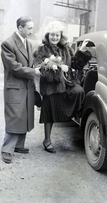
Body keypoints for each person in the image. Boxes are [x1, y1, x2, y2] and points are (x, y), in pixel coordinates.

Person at [33, 21, 91, 153]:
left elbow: (75, 65)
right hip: (50, 86)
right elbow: (40, 70)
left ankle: (73, 115)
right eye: (52, 35)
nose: (55, 38)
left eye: (57, 35)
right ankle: (47, 140)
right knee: (49, 114)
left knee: (79, 91)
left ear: (60, 36)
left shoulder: (66, 48)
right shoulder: (41, 50)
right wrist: (58, 68)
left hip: (66, 83)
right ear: (48, 36)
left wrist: (81, 52)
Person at [1, 16, 40, 163]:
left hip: (26, 86)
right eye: (29, 28)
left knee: (24, 114)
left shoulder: (28, 43)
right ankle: (7, 149)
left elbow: (29, 63)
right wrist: (33, 72)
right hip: (15, 87)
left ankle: (18, 145)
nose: (31, 31)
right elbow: (14, 67)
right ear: (20, 28)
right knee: (15, 116)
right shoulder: (8, 43)